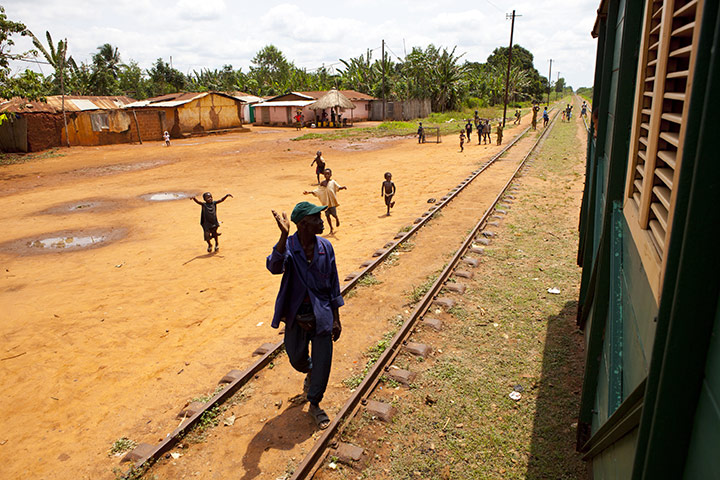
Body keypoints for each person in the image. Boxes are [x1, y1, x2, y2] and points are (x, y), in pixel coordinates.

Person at [267, 202, 343, 430]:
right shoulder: (289, 245)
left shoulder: (326, 247)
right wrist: (282, 235)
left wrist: (337, 318)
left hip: (322, 314)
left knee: (323, 362)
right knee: (296, 357)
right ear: (302, 225)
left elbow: (333, 283)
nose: (322, 221)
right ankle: (308, 370)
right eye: (317, 219)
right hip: (296, 315)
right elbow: (274, 266)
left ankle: (315, 403)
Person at [303, 168, 347, 234]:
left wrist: (342, 187)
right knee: (327, 216)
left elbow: (338, 187)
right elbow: (318, 191)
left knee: (334, 214)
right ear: (324, 175)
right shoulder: (322, 183)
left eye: (328, 174)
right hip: (325, 203)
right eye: (325, 174)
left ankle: (336, 218)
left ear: (331, 175)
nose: (327, 175)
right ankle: (331, 228)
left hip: (332, 203)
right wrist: (309, 192)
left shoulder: (333, 182)